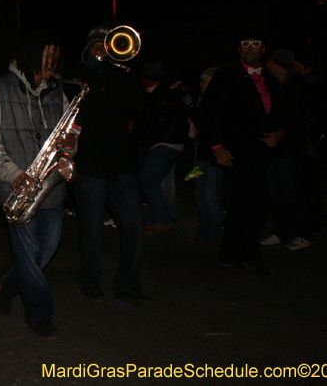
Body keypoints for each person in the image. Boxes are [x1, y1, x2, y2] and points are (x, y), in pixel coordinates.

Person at [0, 30, 76, 340]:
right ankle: (39, 315)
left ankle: (8, 284)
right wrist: (12, 174)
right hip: (19, 188)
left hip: (51, 189)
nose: (53, 62)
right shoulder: (1, 88)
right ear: (32, 56)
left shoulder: (58, 92)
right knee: (30, 253)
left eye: (55, 56)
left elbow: (67, 144)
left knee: (44, 251)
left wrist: (72, 144)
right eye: (47, 56)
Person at [72, 25, 149, 304]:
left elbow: (139, 105)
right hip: (91, 166)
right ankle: (89, 281)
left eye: (106, 46)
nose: (102, 51)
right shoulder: (80, 77)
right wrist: (105, 76)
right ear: (87, 51)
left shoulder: (122, 75)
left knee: (135, 226)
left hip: (122, 166)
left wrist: (123, 72)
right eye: (96, 47)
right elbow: (82, 114)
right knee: (91, 228)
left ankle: (127, 284)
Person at [199, 33, 282, 276]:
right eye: (245, 45)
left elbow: (279, 114)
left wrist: (279, 133)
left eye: (255, 44)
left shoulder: (270, 79)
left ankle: (229, 252)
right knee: (256, 202)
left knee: (241, 204)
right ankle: (249, 253)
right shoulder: (227, 76)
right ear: (239, 50)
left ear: (263, 49)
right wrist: (217, 146)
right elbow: (210, 113)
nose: (250, 49)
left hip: (262, 150)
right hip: (236, 151)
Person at [260, 49, 314, 250]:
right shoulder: (274, 85)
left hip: (290, 149)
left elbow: (298, 119)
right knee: (275, 193)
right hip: (274, 148)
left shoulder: (298, 86)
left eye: (271, 62)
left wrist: (281, 133)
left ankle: (304, 233)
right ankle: (282, 231)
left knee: (291, 193)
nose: (267, 65)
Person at [136, 60, 190, 236]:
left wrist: (140, 129)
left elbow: (161, 123)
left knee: (148, 179)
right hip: (167, 142)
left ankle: (162, 220)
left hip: (166, 143)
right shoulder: (161, 94)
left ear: (145, 78)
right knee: (163, 181)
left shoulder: (162, 95)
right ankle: (168, 215)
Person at [189, 67, 224, 246]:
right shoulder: (202, 101)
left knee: (209, 195)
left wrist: (191, 110)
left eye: (205, 81)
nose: (201, 84)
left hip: (213, 158)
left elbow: (205, 124)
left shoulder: (218, 102)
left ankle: (215, 235)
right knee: (199, 194)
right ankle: (204, 233)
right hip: (200, 156)